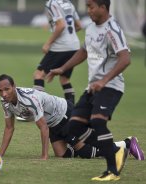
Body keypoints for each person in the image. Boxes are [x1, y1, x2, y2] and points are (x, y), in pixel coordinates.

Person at [47, 0, 132, 181]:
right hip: (93, 88)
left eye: (91, 6)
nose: (89, 10)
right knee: (74, 126)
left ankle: (112, 170)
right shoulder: (91, 28)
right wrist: (62, 69)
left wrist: (104, 80)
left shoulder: (113, 29)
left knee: (98, 122)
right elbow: (83, 51)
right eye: (87, 6)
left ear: (103, 7)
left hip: (110, 87)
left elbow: (125, 58)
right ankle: (120, 148)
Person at [0, 74, 143, 162]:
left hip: (65, 113)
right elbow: (9, 128)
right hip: (53, 122)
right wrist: (0, 155)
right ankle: (77, 144)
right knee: (62, 154)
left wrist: (44, 156)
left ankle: (127, 144)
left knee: (86, 151)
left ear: (14, 86)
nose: (4, 94)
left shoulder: (29, 99)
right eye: (0, 90)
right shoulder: (5, 102)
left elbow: (43, 127)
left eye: (7, 89)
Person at [33, 0, 81, 104]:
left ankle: (37, 109)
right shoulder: (69, 3)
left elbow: (61, 25)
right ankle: (71, 109)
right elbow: (79, 26)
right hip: (74, 45)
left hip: (61, 46)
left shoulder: (51, 3)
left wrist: (48, 43)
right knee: (64, 79)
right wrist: (69, 37)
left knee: (39, 75)